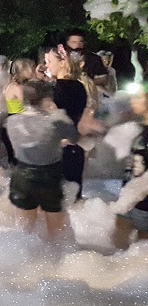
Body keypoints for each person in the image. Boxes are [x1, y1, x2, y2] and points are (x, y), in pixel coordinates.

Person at [4, 80, 78, 240]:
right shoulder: (55, 121)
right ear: (47, 99)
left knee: (24, 229)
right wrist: (57, 113)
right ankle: (56, 254)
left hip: (22, 176)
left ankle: (24, 253)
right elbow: (74, 138)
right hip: (49, 176)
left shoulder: (12, 121)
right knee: (56, 229)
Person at [44, 46, 90, 200]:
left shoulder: (55, 89)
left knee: (53, 204)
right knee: (73, 201)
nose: (47, 65)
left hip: (56, 151)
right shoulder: (80, 86)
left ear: (62, 62)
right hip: (75, 148)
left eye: (49, 61)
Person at [111, 83, 148, 250]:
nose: (133, 101)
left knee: (141, 250)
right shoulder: (137, 127)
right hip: (128, 195)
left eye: (138, 97)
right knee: (118, 243)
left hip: (143, 203)